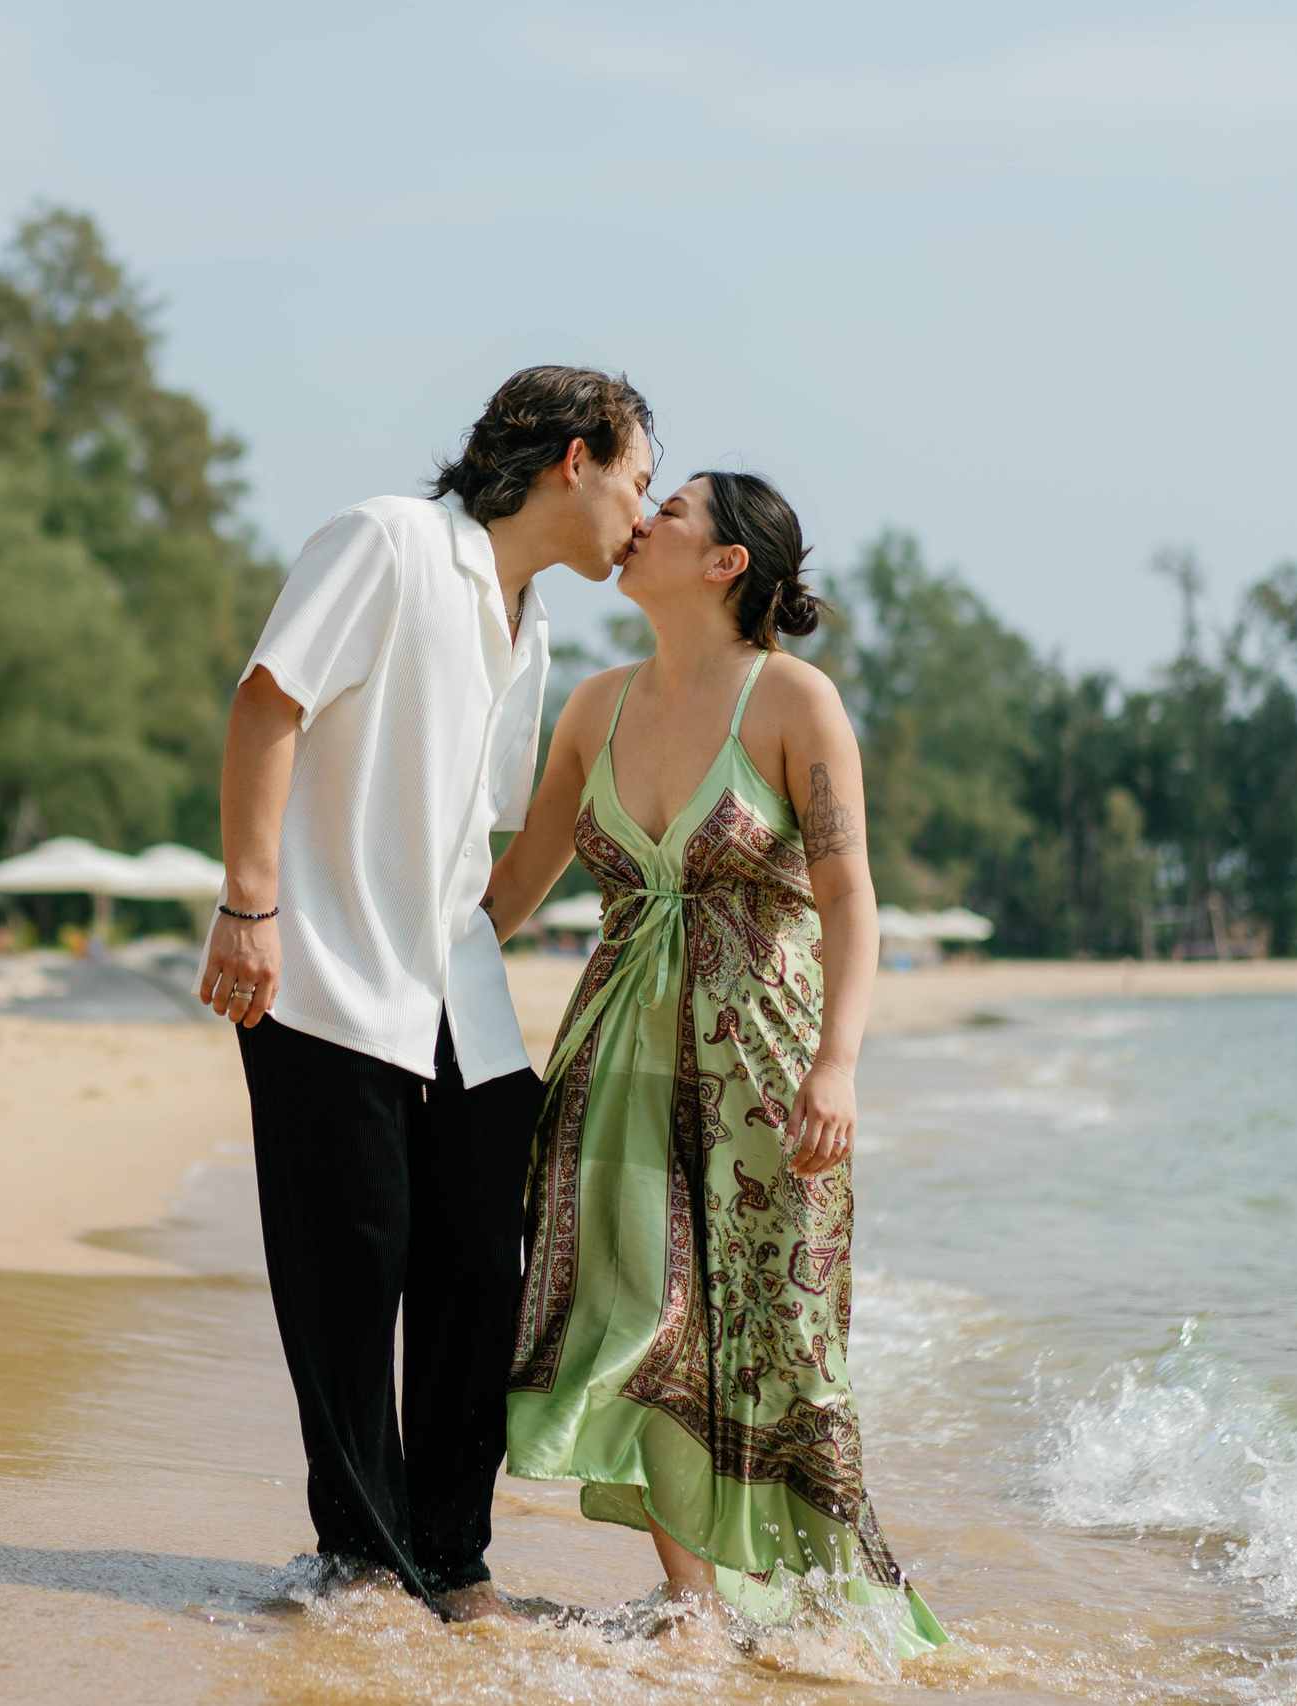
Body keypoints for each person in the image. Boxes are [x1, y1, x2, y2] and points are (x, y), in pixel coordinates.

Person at [198, 366, 655, 1621]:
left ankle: (453, 1557)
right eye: (639, 479)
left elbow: (477, 835)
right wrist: (249, 901)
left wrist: (488, 939)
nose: (641, 511)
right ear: (576, 458)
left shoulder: (536, 623)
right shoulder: (389, 542)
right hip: (326, 975)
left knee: (476, 1268)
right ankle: (360, 1553)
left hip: (458, 991)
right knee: (351, 1268)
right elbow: (266, 700)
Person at [482, 472, 946, 1651]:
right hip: (613, 1072)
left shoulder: (795, 700)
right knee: (638, 1320)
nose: (641, 521)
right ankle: (695, 1605)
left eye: (671, 509)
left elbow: (850, 898)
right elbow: (513, 888)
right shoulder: (592, 705)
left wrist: (838, 1064)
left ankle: (837, 1616)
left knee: (785, 1340)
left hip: (767, 1071)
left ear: (725, 561)